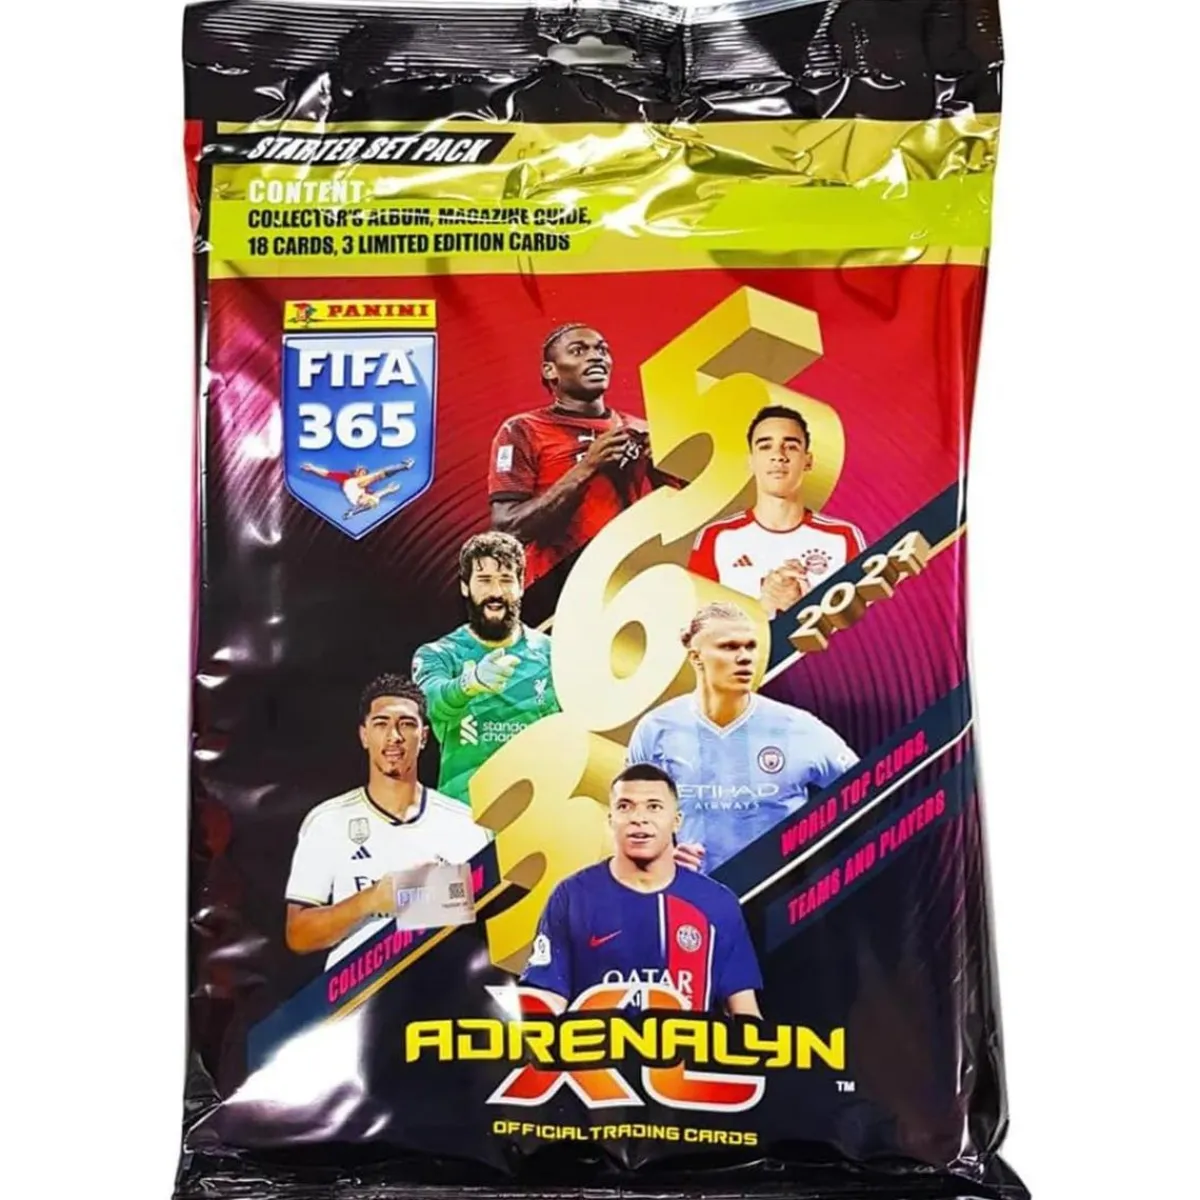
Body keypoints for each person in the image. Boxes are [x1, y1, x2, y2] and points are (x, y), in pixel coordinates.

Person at [626, 602, 857, 873]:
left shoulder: (799, 728)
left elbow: (867, 793)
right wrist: (659, 859)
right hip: (697, 894)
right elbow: (631, 821)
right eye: (729, 647)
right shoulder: (656, 729)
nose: (745, 657)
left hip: (784, 891)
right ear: (696, 657)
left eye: (750, 646)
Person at [520, 764, 762, 1016]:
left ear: (676, 822)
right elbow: (546, 1003)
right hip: (597, 1042)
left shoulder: (717, 903)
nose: (639, 818)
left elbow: (745, 1013)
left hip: (687, 1043)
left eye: (653, 806)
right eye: (625, 806)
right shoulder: (571, 897)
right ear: (611, 819)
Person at [284, 674, 489, 968]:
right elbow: (298, 935)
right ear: (364, 735)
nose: (394, 736)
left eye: (406, 724)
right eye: (381, 724)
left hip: (441, 987)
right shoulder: (328, 821)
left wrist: (435, 896)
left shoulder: (465, 824)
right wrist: (371, 899)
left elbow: (486, 923)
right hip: (359, 992)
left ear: (424, 736)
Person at [488, 323, 664, 589]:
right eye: (578, 351)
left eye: (602, 350)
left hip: (628, 583)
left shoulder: (641, 429)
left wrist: (663, 467)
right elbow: (507, 528)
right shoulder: (523, 429)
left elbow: (689, 512)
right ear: (550, 370)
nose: (595, 357)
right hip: (557, 588)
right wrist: (587, 467)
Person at [412, 531, 559, 804]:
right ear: (464, 587)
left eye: (506, 580)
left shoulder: (553, 654)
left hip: (540, 810)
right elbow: (429, 703)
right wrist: (470, 683)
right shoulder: (439, 654)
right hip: (465, 814)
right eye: (484, 580)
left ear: (521, 585)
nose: (496, 592)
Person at [688, 405, 865, 618]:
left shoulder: (843, 537)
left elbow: (868, 627)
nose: (778, 456)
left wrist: (804, 606)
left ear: (808, 460)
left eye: (791, 446)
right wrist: (763, 608)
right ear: (751, 461)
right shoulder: (716, 537)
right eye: (765, 446)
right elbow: (696, 626)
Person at [300, 459, 415, 518]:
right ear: (356, 472)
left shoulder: (366, 489)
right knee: (378, 475)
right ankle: (404, 466)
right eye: (361, 472)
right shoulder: (346, 477)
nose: (363, 474)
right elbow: (326, 474)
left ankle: (404, 467)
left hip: (356, 498)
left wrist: (388, 490)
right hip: (351, 486)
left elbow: (375, 496)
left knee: (375, 499)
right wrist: (313, 468)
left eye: (364, 472)